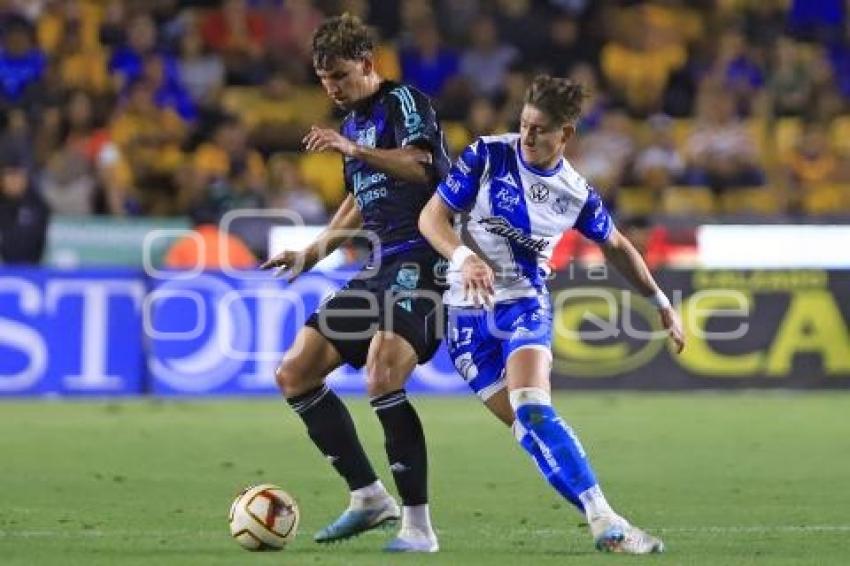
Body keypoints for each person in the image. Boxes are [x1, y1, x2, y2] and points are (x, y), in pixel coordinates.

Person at [418, 75, 685, 554]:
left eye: (540, 129)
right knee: (528, 433)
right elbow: (431, 218)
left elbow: (618, 247)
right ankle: (605, 519)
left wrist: (661, 302)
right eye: (523, 124)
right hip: (465, 316)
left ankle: (605, 519)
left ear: (566, 135)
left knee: (532, 405)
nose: (527, 137)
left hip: (523, 303)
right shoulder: (488, 155)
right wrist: (464, 258)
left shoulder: (574, 192)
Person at [260, 14, 450, 553]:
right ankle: (368, 496)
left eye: (341, 77)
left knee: (383, 370)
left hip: (427, 261)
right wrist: (313, 251)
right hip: (382, 266)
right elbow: (359, 201)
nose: (333, 89)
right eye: (324, 82)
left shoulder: (402, 103)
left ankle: (418, 527)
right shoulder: (353, 126)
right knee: (294, 372)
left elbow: (421, 167)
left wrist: (353, 151)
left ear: (368, 64)